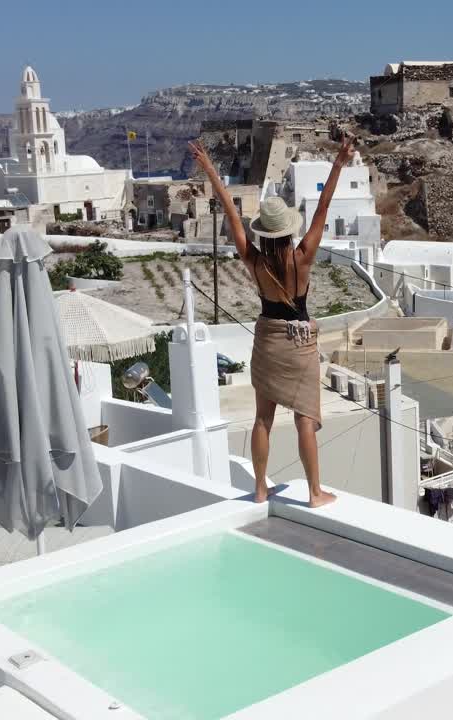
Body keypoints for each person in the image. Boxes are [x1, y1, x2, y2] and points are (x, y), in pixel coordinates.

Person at [189, 135, 357, 508]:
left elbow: (231, 214)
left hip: (267, 339)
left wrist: (210, 169)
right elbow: (323, 207)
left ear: (264, 232)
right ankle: (315, 492)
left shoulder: (254, 261)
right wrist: (339, 162)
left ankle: (261, 488)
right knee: (304, 418)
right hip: (299, 344)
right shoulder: (303, 258)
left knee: (262, 418)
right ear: (288, 230)